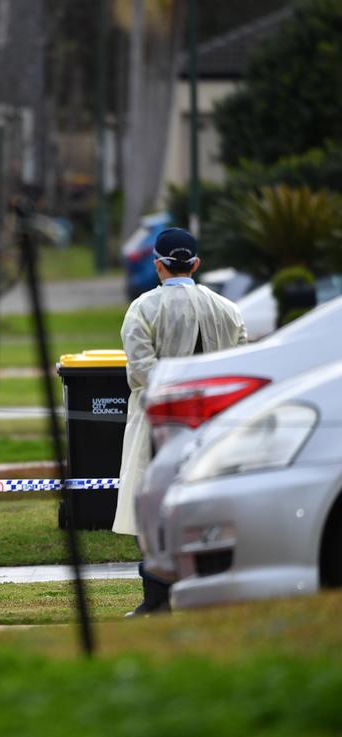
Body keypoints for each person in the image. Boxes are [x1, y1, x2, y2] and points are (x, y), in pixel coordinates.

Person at [115, 227, 247, 615]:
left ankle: (157, 595)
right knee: (212, 507)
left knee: (155, 507)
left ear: (157, 264)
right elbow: (240, 365)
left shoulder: (143, 309)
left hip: (160, 425)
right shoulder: (228, 309)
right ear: (196, 263)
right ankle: (211, 587)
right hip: (216, 425)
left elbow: (141, 372)